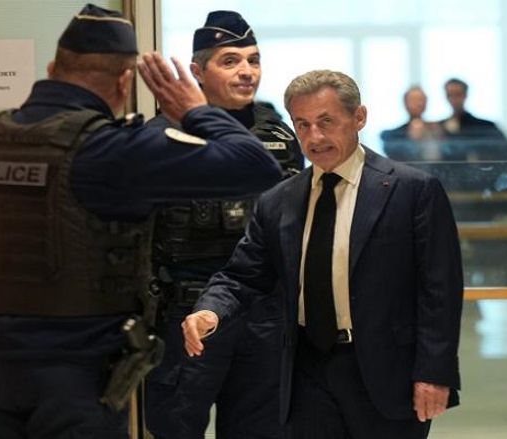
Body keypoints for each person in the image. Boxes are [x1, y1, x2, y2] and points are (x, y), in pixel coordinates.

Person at [0, 4, 283, 438]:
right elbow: (255, 166)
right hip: (78, 379)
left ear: (52, 70)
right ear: (125, 82)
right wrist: (195, 111)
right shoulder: (115, 155)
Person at [184, 70, 464, 439]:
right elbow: (243, 275)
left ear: (359, 117)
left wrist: (434, 373)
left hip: (386, 374)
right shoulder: (279, 200)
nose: (314, 137)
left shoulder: (412, 190)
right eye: (302, 124)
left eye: (326, 121)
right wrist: (210, 310)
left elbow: (440, 292)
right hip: (307, 373)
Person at [144, 11, 303, 439]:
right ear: (197, 72)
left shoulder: (279, 134)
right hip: (185, 313)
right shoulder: (162, 136)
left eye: (254, 60)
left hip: (262, 314)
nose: (247, 71)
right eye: (230, 61)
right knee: (175, 428)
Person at [440, 77, 505, 161]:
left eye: (458, 94)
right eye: (450, 95)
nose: (454, 99)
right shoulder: (440, 126)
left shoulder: (486, 126)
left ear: (465, 95)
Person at [381, 85, 444, 162]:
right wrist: (412, 139)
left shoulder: (437, 128)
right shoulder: (392, 135)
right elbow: (390, 151)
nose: (418, 103)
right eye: (413, 100)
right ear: (405, 103)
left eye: (421, 100)